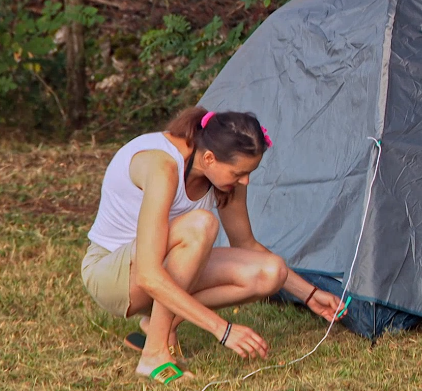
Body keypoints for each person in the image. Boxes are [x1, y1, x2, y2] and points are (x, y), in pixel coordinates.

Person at [81, 107, 344, 384]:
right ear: (209, 158)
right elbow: (148, 274)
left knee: (271, 272)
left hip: (160, 268)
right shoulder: (162, 166)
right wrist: (223, 329)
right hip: (113, 275)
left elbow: (245, 245)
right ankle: (154, 354)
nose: (245, 181)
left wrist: (309, 294)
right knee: (201, 226)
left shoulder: (223, 173)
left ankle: (160, 324)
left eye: (249, 173)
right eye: (239, 173)